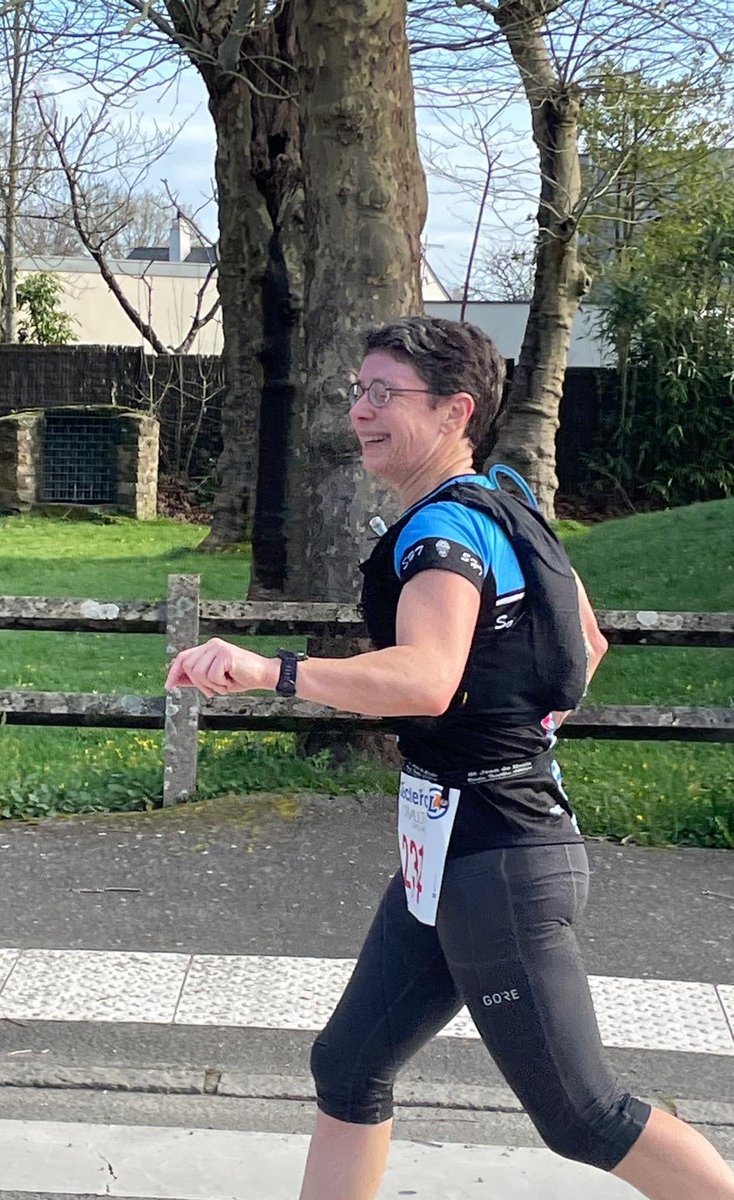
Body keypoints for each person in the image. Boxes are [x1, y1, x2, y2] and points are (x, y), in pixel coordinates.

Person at [165, 316, 734, 1200]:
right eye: (357, 391)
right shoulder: (507, 504)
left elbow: (426, 680)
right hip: (456, 851)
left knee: (583, 1115)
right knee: (350, 1064)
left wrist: (272, 670)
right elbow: (585, 645)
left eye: (383, 394)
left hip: (498, 861)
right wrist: (515, 731)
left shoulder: (441, 531)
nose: (359, 411)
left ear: (454, 411)